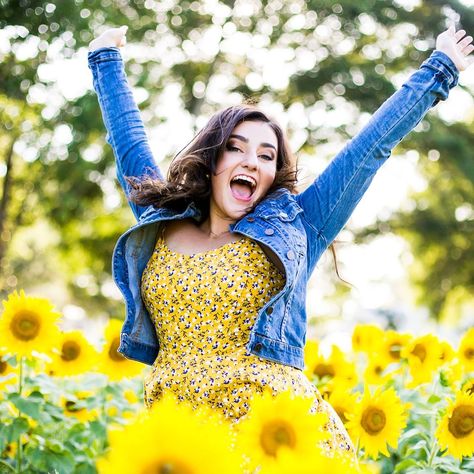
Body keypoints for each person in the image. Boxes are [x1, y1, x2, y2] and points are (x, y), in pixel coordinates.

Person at [87, 24, 473, 457]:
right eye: (236, 148)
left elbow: (368, 151)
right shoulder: (159, 222)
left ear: (273, 173)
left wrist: (439, 70)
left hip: (276, 447)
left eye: (266, 155)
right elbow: (129, 144)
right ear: (213, 160)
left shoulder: (297, 229)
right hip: (186, 446)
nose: (251, 161)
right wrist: (105, 58)